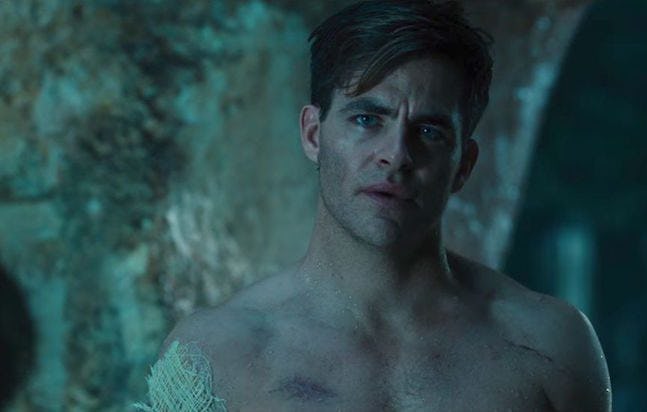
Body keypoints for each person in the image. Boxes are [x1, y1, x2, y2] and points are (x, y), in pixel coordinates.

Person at [150, 1, 612, 410]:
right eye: (367, 119)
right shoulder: (213, 356)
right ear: (313, 134)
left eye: (429, 132)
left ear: (464, 165)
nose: (396, 155)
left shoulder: (549, 345)